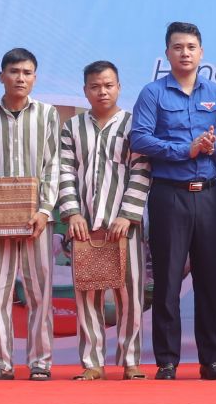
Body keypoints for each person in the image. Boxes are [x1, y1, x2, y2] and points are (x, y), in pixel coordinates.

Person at [130, 22, 216, 380]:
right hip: (168, 195)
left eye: (191, 47)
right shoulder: (153, 93)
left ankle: (211, 360)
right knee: (168, 279)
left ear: (201, 52)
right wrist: (183, 150)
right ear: (167, 53)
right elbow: (140, 139)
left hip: (208, 196)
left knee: (209, 279)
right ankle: (167, 360)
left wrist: (212, 147)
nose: (185, 53)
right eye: (178, 47)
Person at [0, 47, 61, 381]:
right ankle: (0, 363)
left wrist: (45, 210)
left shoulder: (48, 115)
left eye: (27, 72)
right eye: (14, 72)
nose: (21, 78)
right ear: (1, 76)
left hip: (37, 220)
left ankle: (40, 363)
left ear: (35, 77)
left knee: (39, 294)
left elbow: (53, 167)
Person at [57, 61, 151, 381]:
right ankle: (92, 362)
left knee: (130, 294)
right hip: (84, 225)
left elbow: (141, 171)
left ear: (119, 87)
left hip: (124, 226)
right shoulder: (72, 127)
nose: (102, 92)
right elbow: (64, 173)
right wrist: (72, 213)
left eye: (109, 85)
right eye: (95, 86)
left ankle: (131, 361)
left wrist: (127, 214)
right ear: (85, 90)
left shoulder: (134, 125)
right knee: (88, 295)